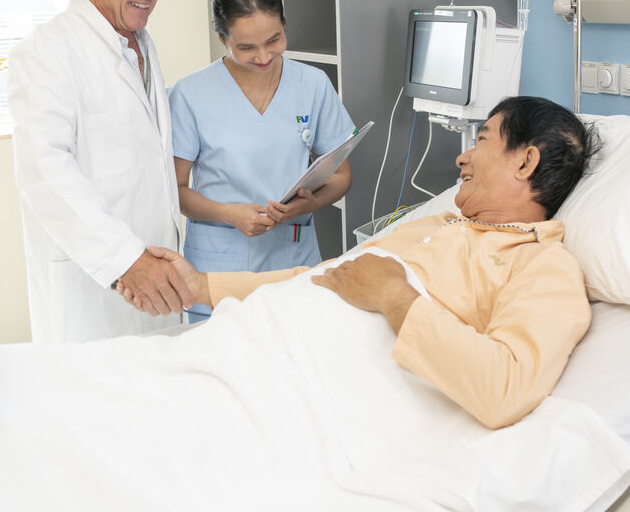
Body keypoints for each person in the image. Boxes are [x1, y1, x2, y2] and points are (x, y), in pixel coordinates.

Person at [125, 95, 600, 428]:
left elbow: (505, 388)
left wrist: (396, 296)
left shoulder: (543, 266)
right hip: (267, 346)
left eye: (482, 140)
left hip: (313, 389)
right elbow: (326, 278)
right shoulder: (438, 224)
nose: (463, 158)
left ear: (524, 162)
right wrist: (200, 286)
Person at [6, 0, 193, 343]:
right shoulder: (46, 51)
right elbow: (44, 172)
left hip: (154, 273)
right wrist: (126, 260)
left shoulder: (139, 43)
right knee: (94, 384)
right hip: (94, 285)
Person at [168, 0, 355, 322]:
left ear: (284, 23)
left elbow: (342, 176)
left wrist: (309, 204)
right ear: (222, 38)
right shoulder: (190, 94)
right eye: (246, 48)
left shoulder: (312, 84)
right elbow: (174, 191)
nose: (264, 56)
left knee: (298, 347)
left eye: (274, 40)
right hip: (218, 265)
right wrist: (228, 213)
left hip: (293, 256)